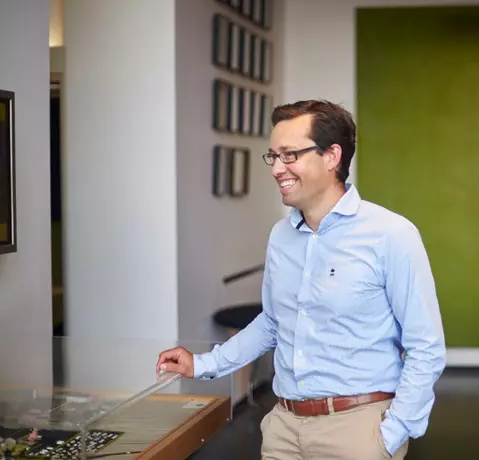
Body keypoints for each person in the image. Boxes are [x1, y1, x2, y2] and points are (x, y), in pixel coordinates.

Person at [156, 100, 447, 460]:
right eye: (273, 156)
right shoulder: (281, 236)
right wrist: (202, 365)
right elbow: (274, 322)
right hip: (284, 429)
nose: (277, 168)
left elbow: (426, 347)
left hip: (359, 433)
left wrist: (393, 433)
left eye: (289, 155)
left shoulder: (391, 234)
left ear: (332, 157)